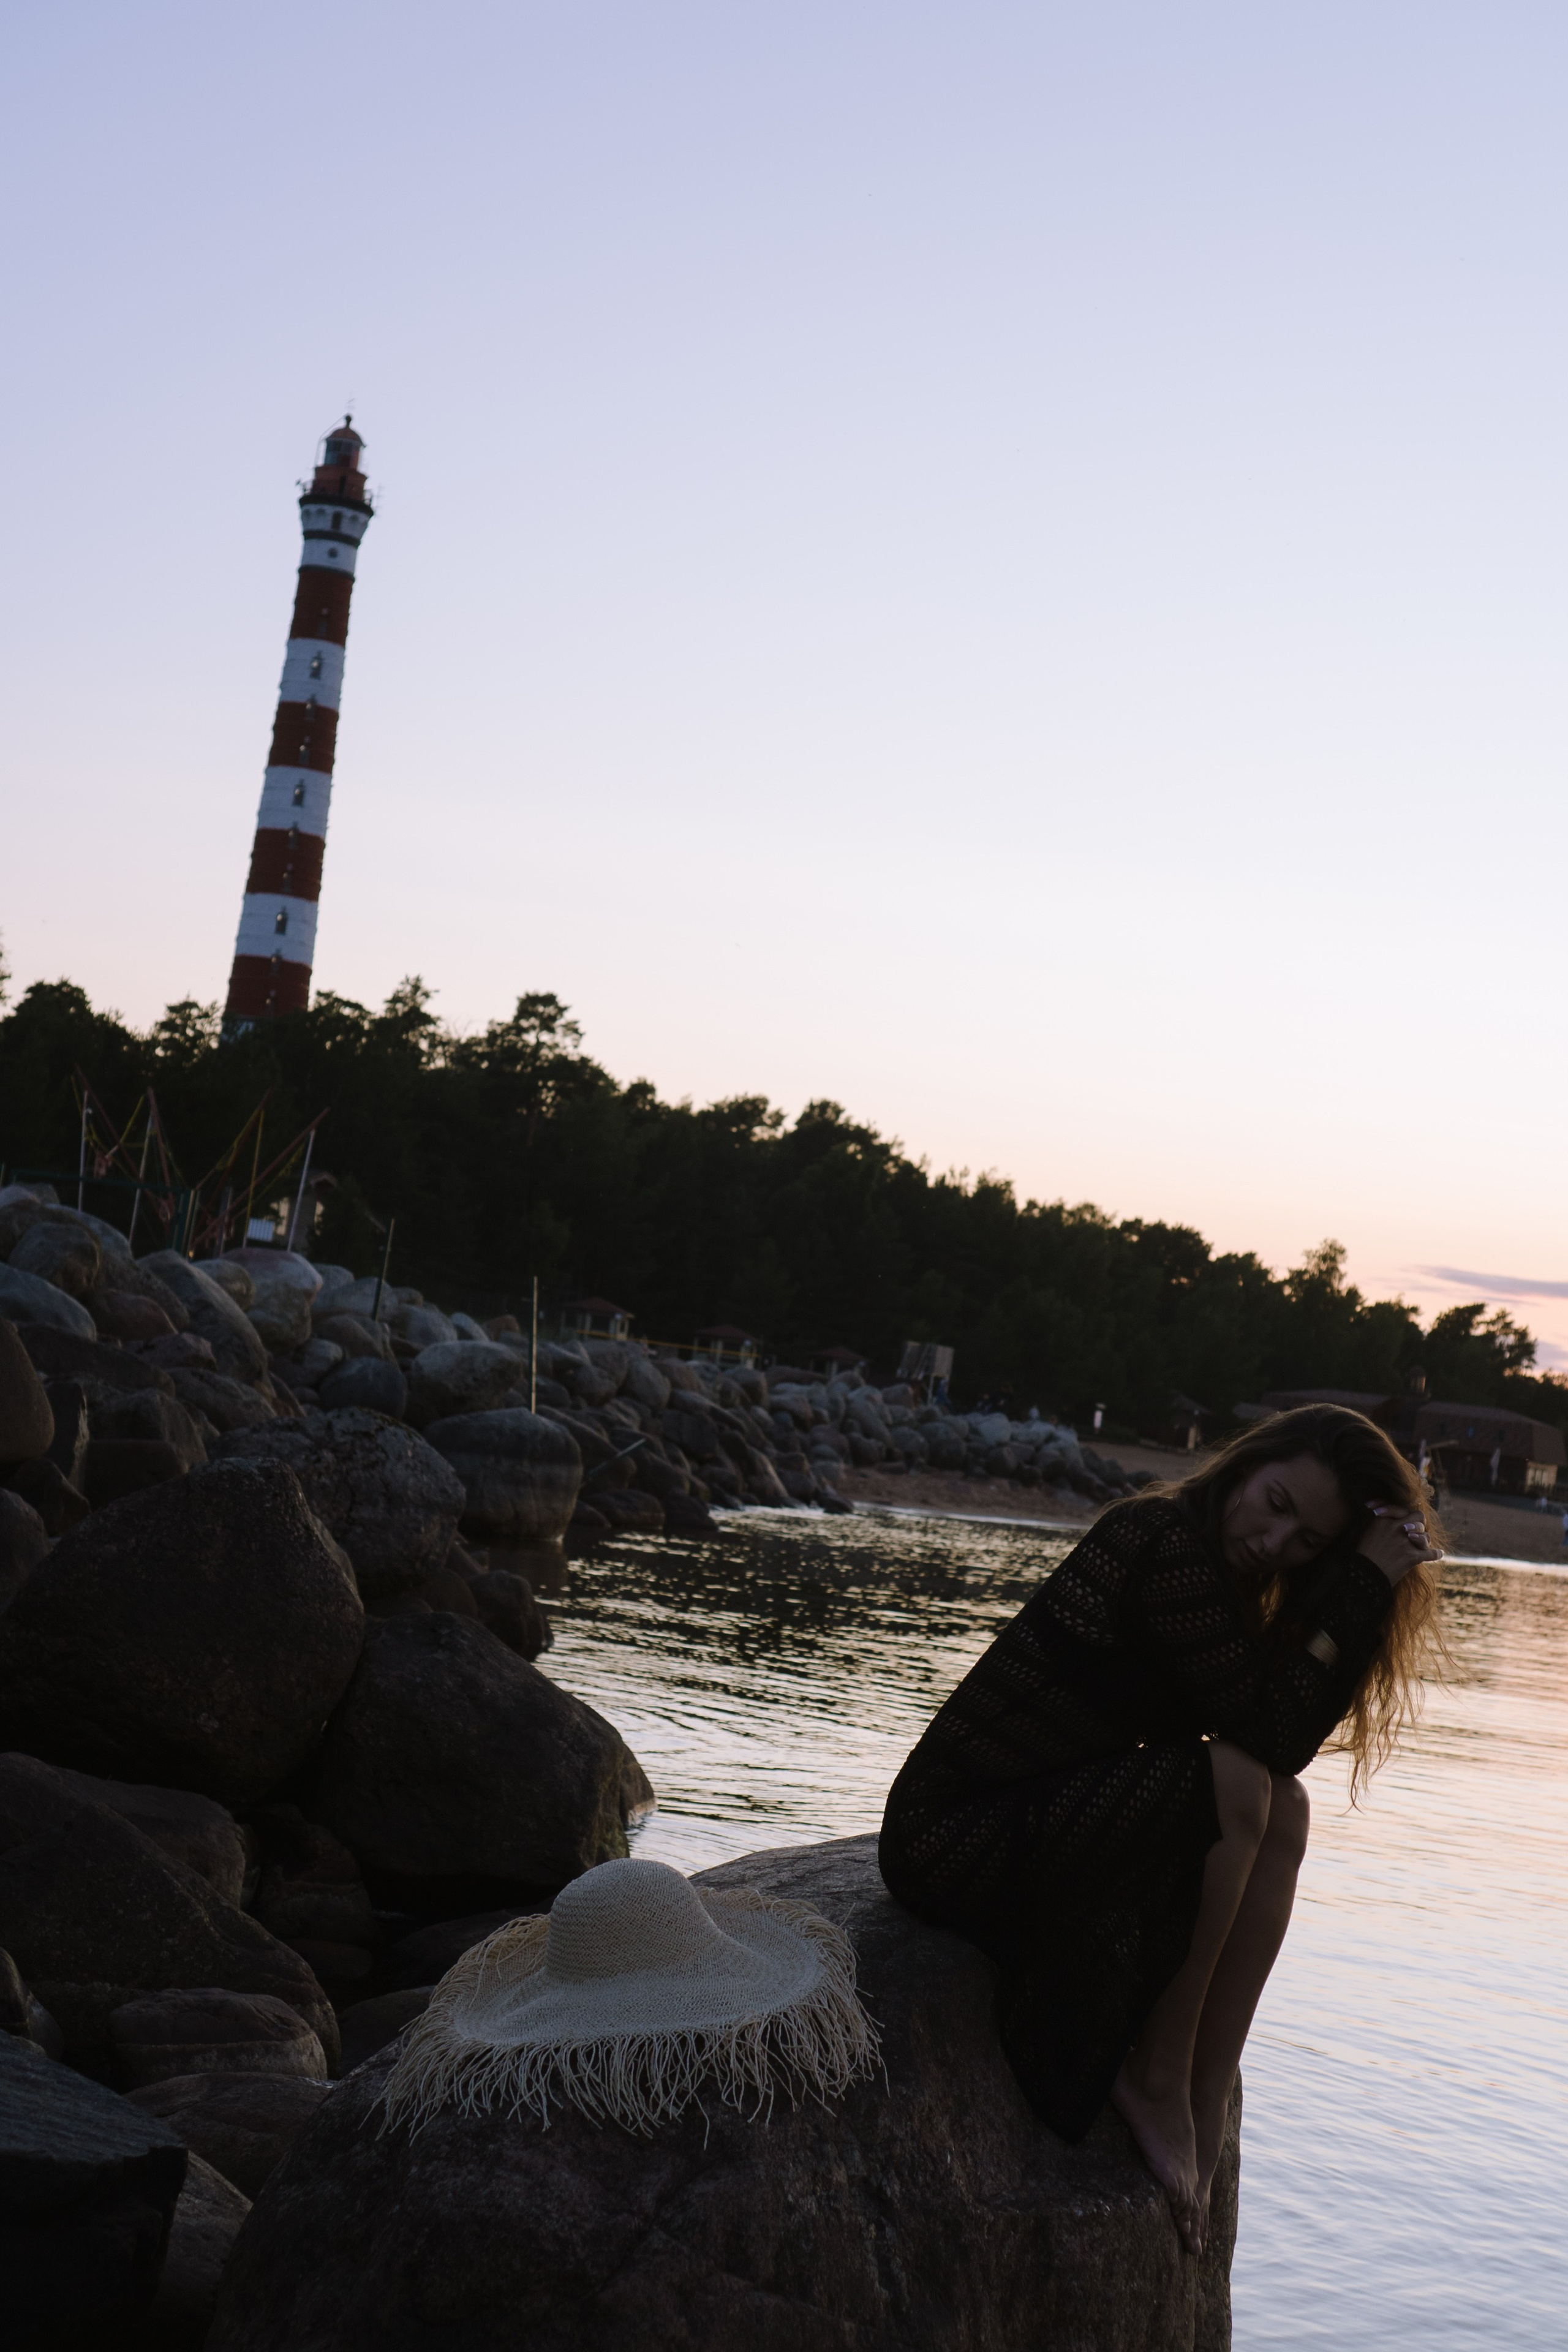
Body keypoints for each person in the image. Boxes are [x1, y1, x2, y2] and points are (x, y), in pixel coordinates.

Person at [878, 1404, 1443, 2256]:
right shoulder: (1160, 1542)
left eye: (1308, 1544)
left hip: (1048, 1814)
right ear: (1249, 1466)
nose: (1275, 1540)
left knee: (1282, 1807)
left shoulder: (1226, 1580)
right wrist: (1361, 1581)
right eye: (1277, 1502)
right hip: (953, 1834)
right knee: (1237, 1784)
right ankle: (1156, 2074)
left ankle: (1205, 2090)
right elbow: (1268, 1734)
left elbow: (1284, 1746)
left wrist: (1357, 1591)